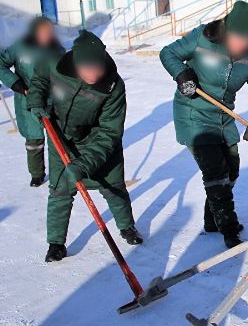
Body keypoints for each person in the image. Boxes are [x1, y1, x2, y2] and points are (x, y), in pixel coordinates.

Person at [160, 1, 248, 249]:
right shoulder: (202, 38)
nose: (241, 44)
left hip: (223, 118)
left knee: (232, 170)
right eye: (237, 37)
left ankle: (212, 220)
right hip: (193, 114)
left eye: (247, 39)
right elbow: (168, 53)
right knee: (216, 173)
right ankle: (228, 228)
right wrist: (182, 74)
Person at [27, 31, 143, 262]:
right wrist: (36, 100)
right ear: (75, 63)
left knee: (113, 188)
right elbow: (39, 79)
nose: (93, 73)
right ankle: (56, 244)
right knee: (60, 190)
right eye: (87, 68)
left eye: (97, 67)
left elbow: (110, 131)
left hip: (99, 141)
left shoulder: (113, 86)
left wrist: (84, 163)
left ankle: (127, 227)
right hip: (60, 137)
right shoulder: (56, 64)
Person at [0, 17, 65, 187]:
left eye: (50, 32)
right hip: (26, 101)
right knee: (34, 139)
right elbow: (1, 65)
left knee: (57, 138)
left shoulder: (57, 50)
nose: (48, 35)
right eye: (44, 32)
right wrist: (18, 85)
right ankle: (37, 173)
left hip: (52, 100)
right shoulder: (21, 47)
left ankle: (60, 171)